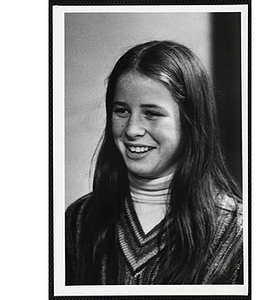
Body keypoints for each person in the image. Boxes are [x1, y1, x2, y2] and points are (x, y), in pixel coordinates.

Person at [65, 40, 243, 285]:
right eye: (121, 111)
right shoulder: (79, 220)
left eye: (152, 113)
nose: (132, 129)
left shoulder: (238, 232)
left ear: (191, 123)